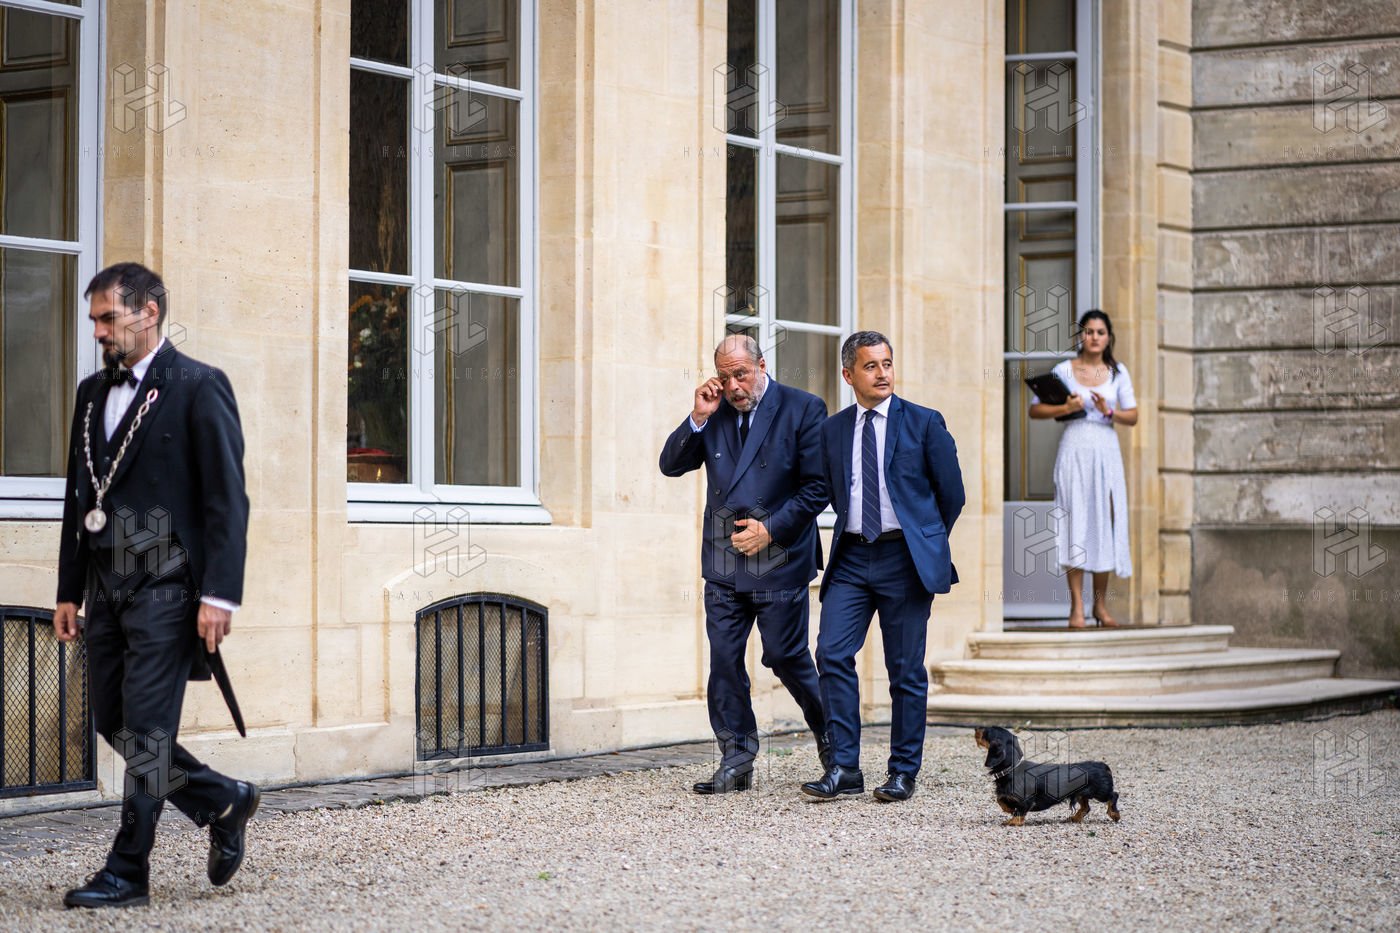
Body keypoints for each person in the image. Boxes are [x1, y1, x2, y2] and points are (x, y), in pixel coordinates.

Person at [53, 262, 259, 908]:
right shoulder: (91, 393)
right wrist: (69, 589)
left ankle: (127, 870)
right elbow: (78, 497)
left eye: (107, 318)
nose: (98, 331)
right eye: (93, 320)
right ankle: (223, 799)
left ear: (149, 312)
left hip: (169, 588)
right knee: (114, 720)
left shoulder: (199, 385)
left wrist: (219, 594)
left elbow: (227, 499)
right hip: (106, 589)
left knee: (145, 730)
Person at [659, 334, 831, 793]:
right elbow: (670, 465)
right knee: (724, 661)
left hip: (778, 554)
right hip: (723, 557)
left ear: (762, 365)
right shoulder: (714, 411)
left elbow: (818, 487)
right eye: (725, 376)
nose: (734, 386)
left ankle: (833, 742)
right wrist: (698, 417)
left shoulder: (803, 408)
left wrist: (770, 529)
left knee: (786, 657)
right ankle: (736, 758)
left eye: (742, 374)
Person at [802, 332, 964, 802]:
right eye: (871, 366)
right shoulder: (832, 430)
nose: (882, 373)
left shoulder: (924, 422)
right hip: (851, 557)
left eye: (887, 364)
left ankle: (902, 771)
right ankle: (844, 768)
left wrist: (924, 542)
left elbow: (951, 495)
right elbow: (829, 491)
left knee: (904, 670)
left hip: (904, 559)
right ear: (849, 374)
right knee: (831, 653)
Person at [1029, 309, 1138, 628]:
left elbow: (1133, 416)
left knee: (1104, 521)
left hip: (1105, 449)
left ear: (1109, 338)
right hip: (1074, 448)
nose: (1094, 337)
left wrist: (1110, 411)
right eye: (1089, 332)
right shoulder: (1064, 369)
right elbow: (1035, 410)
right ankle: (1076, 607)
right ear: (1081, 336)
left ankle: (1100, 607)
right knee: (1074, 521)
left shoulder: (1118, 372)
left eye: (1100, 332)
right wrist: (1066, 407)